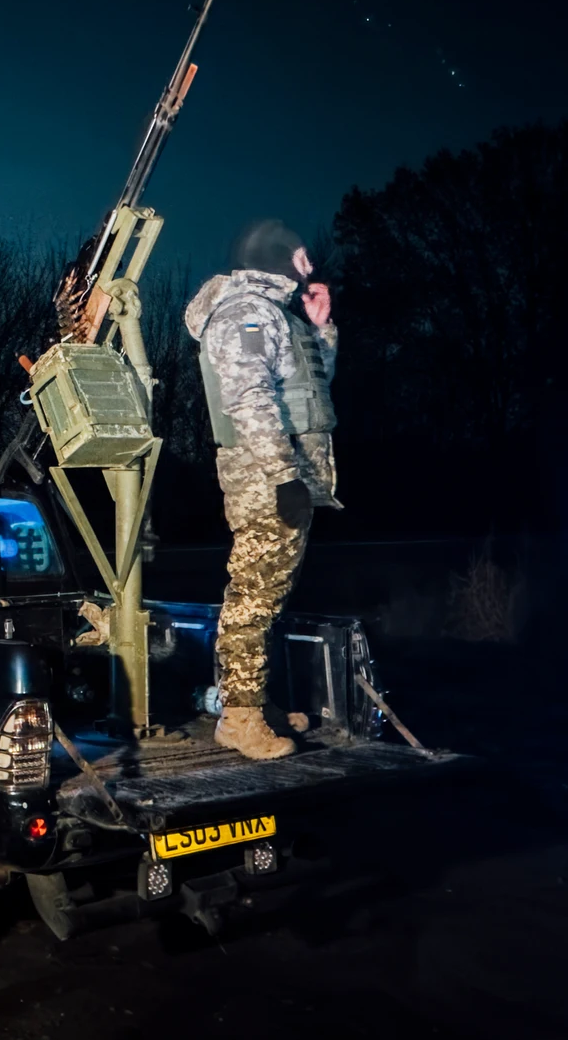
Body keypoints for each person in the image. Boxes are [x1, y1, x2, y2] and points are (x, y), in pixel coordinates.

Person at [185, 220, 341, 760]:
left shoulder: (276, 316)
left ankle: (255, 703)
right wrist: (283, 475)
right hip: (264, 480)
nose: (310, 267)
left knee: (268, 596)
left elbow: (307, 393)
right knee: (251, 598)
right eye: (302, 256)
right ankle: (240, 717)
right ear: (276, 256)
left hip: (286, 476)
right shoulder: (246, 314)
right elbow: (248, 398)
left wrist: (320, 332)